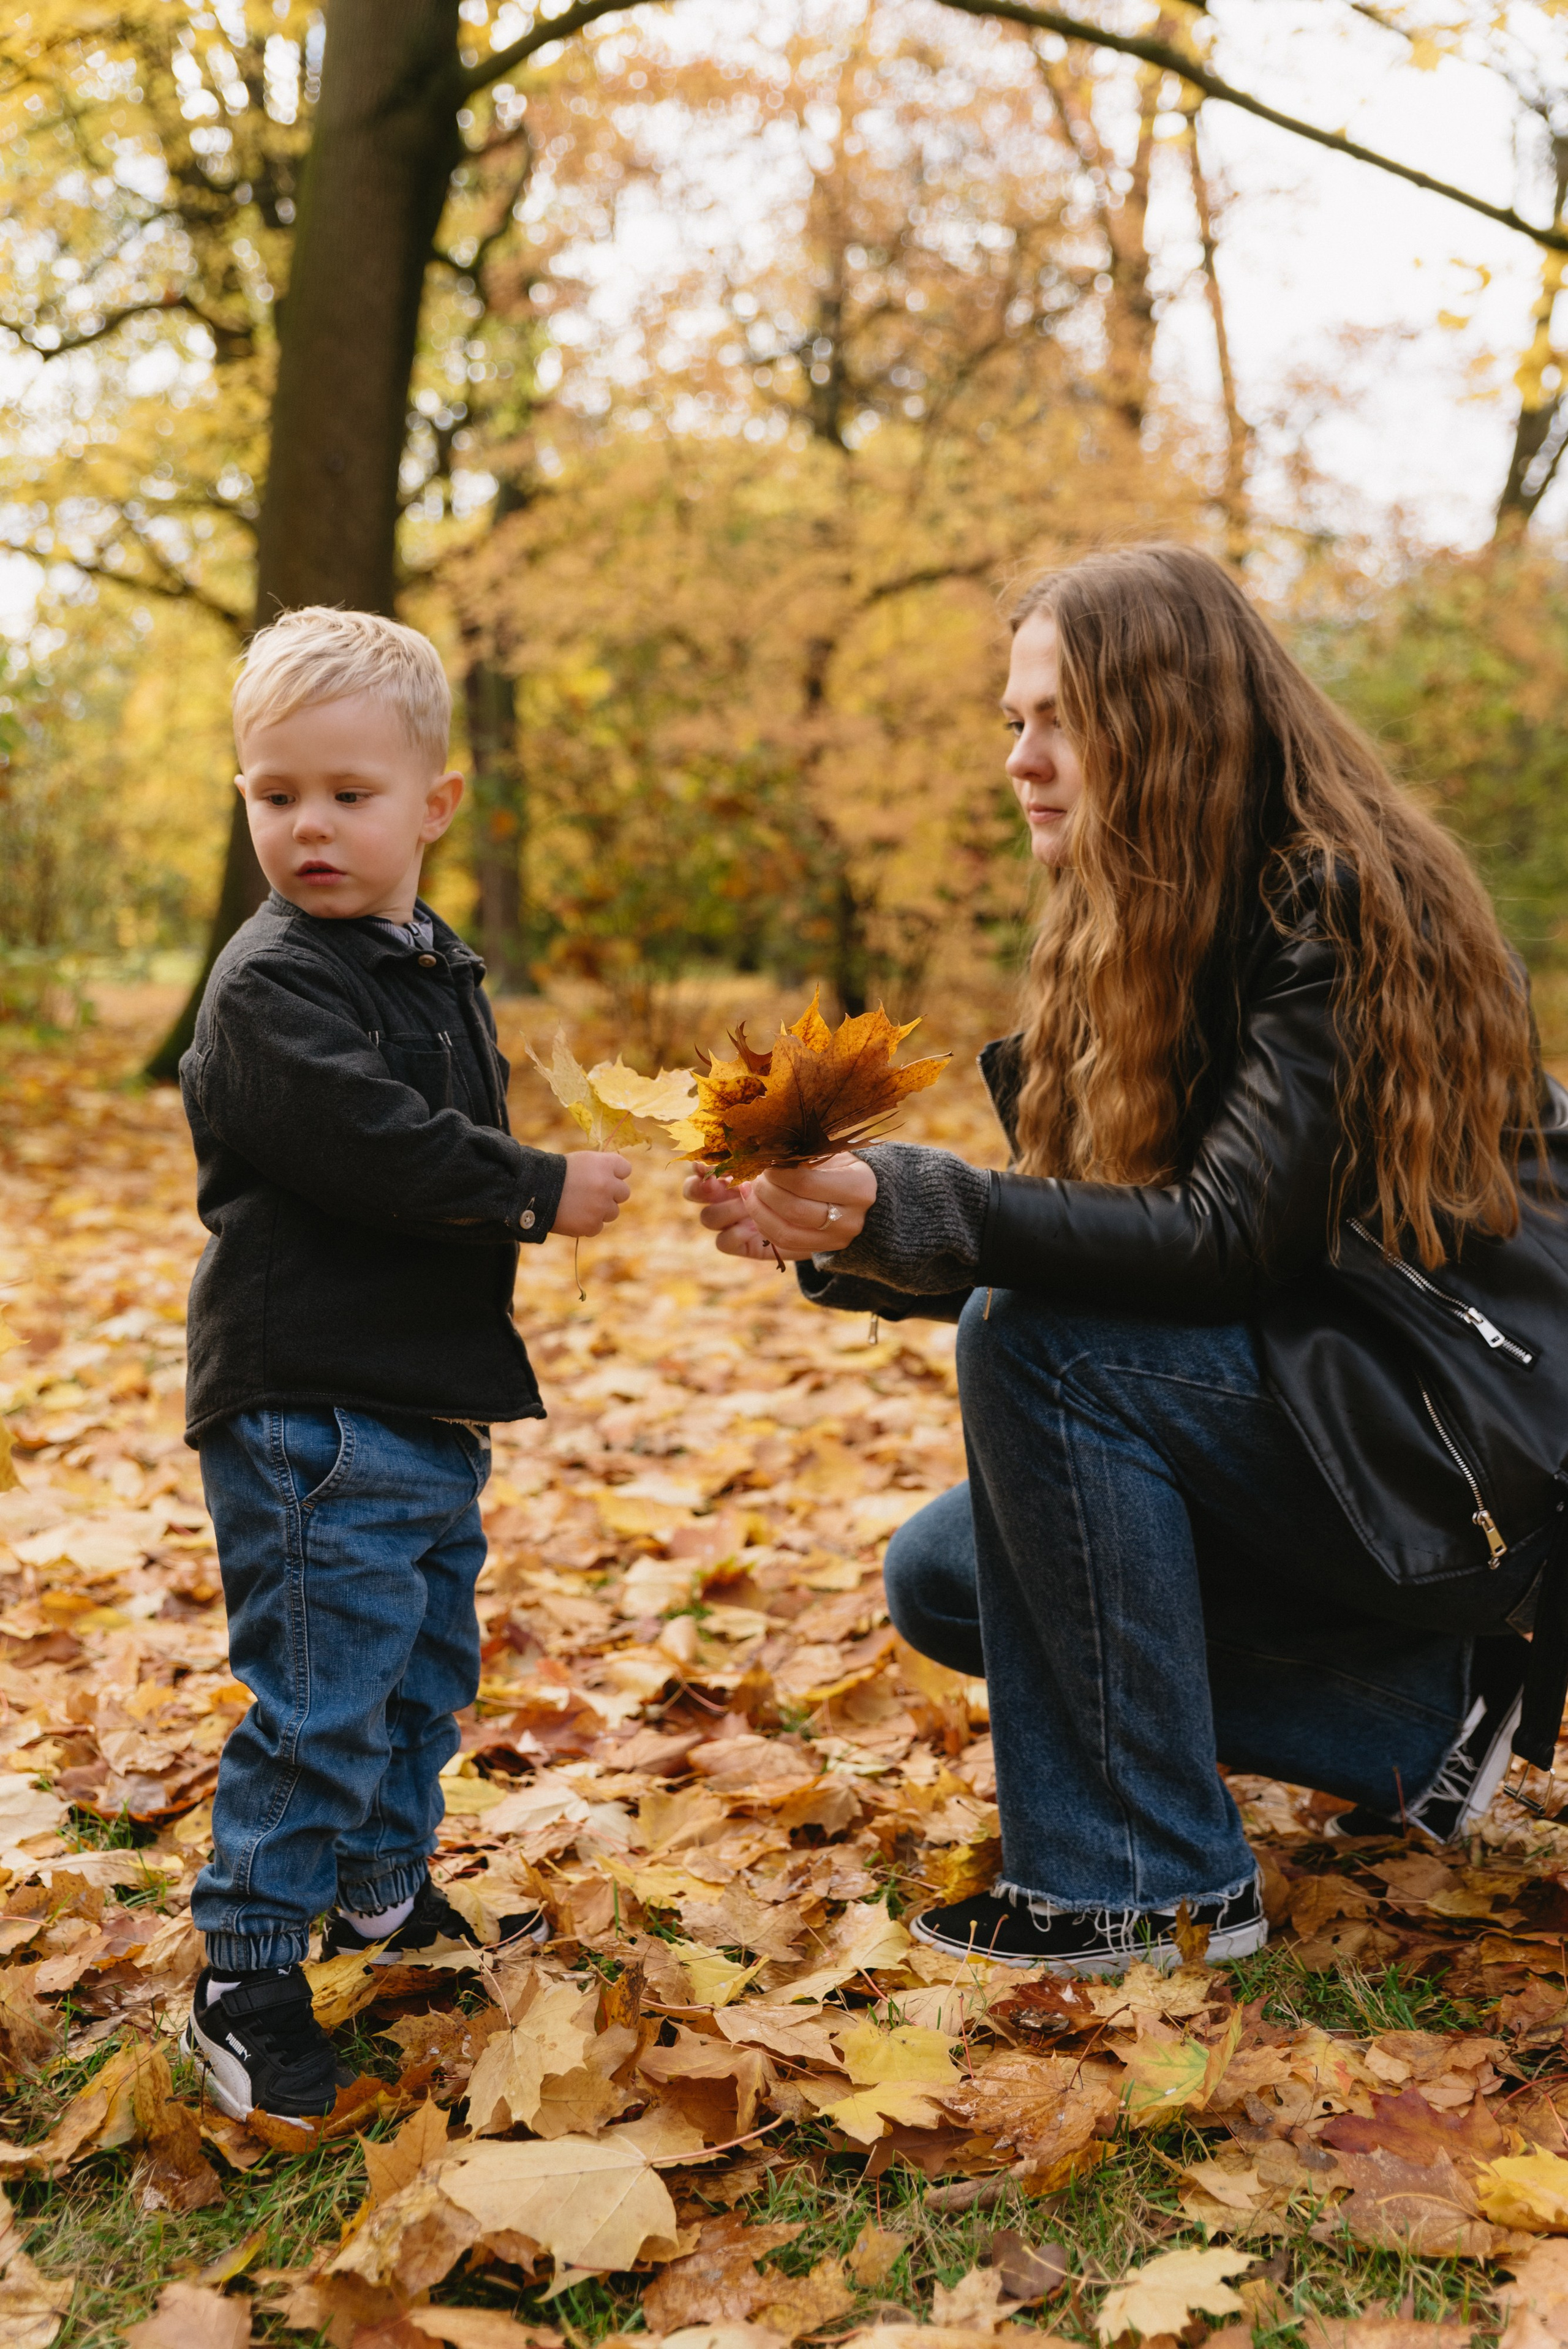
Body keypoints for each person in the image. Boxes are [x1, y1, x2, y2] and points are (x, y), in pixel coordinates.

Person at [687, 543, 1568, 1977]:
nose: (1022, 760)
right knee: (943, 1573)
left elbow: (1215, 1246)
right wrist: (844, 1233)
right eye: (1011, 722)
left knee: (1036, 1338)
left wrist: (932, 1209)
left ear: (1165, 718)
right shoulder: (1145, 926)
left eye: (1055, 719)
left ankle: (1138, 1888)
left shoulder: (1336, 901)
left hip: (1459, 1456)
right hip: (1332, 1419)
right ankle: (1404, 1715)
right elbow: (1110, 1246)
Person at [177, 607, 632, 2123]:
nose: (306, 825)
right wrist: (528, 1181)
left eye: (347, 795)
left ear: (433, 805)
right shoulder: (269, 987)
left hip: (420, 1398)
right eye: (273, 792)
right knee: (319, 1692)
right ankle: (244, 1967)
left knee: (419, 1675)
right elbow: (370, 1146)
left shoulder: (424, 961)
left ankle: (379, 1897)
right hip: (310, 1401)